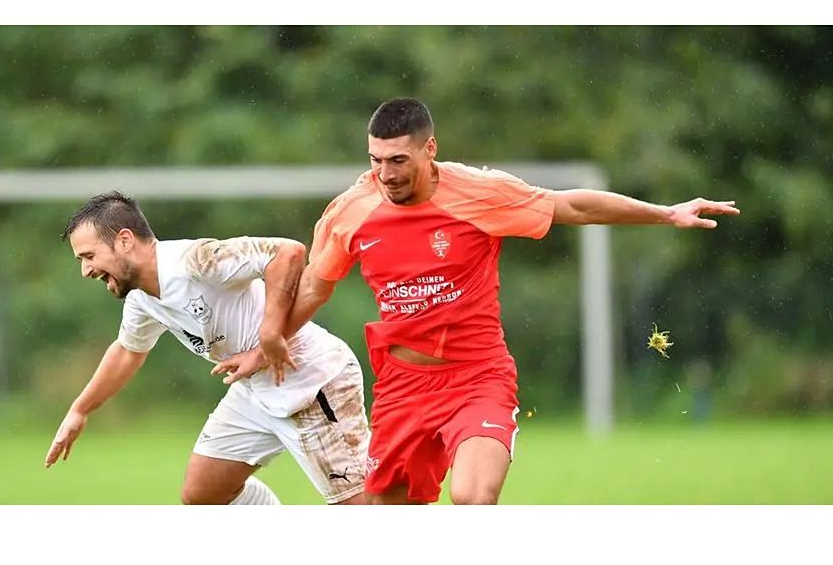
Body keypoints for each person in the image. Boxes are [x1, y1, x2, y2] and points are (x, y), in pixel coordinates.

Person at [224, 97, 741, 505]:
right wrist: (266, 343)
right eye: (376, 161)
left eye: (399, 160)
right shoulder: (350, 211)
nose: (386, 175)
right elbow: (316, 284)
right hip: (402, 386)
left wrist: (666, 213)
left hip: (477, 377)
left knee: (473, 498)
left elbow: (575, 207)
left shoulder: (480, 194)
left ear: (430, 150)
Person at [43, 192, 369, 505]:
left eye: (89, 256)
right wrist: (80, 409)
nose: (86, 270)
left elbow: (288, 253)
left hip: (311, 382)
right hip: (255, 390)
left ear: (125, 241)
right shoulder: (141, 298)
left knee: (360, 507)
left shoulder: (193, 262)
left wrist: (270, 333)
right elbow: (128, 350)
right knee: (203, 493)